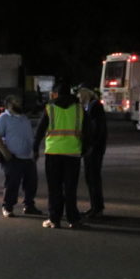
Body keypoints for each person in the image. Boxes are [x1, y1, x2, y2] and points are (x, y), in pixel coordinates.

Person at [33, 80, 89, 229]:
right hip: (73, 153)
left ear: (56, 93)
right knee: (70, 188)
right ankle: (73, 219)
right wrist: (85, 149)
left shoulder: (49, 108)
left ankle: (54, 219)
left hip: (53, 153)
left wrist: (35, 149)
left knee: (54, 188)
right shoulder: (79, 109)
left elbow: (39, 131)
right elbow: (89, 131)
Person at [0, 94, 42, 217]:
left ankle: (29, 206)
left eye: (20, 100)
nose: (20, 103)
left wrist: (34, 152)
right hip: (13, 157)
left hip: (27, 157)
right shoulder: (3, 118)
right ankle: (7, 207)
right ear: (9, 104)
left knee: (31, 183)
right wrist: (6, 154)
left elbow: (29, 136)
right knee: (12, 183)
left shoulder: (24, 118)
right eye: (16, 101)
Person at [76, 83, 107, 219]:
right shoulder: (89, 107)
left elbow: (96, 129)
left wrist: (90, 145)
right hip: (92, 148)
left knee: (93, 178)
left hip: (94, 149)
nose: (78, 97)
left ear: (87, 94)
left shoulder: (95, 106)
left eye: (80, 94)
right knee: (90, 178)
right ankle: (95, 207)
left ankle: (97, 208)